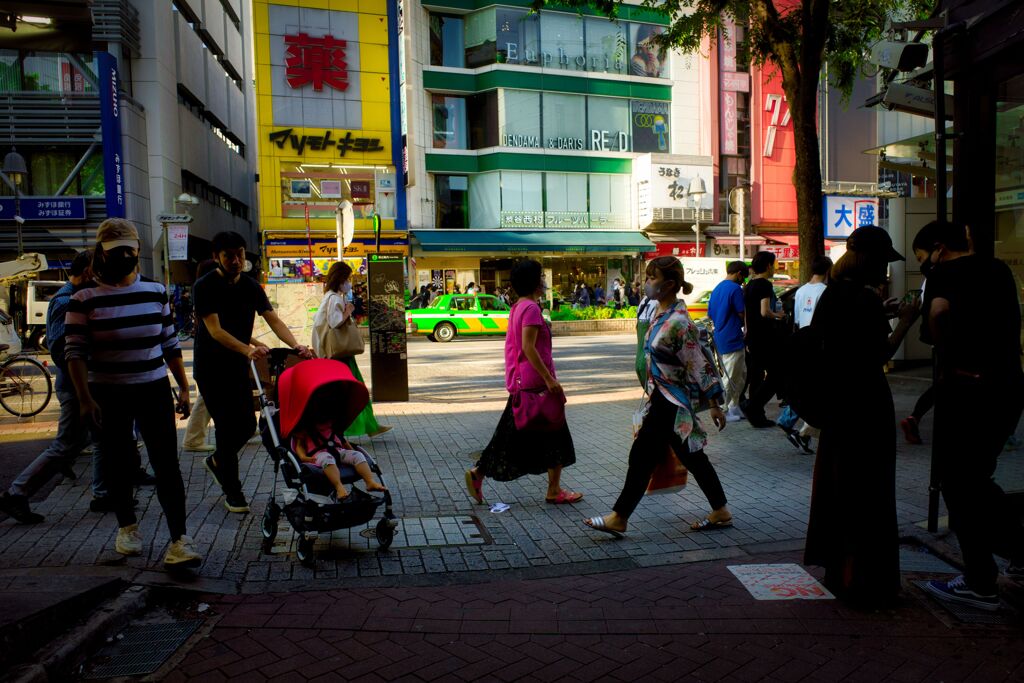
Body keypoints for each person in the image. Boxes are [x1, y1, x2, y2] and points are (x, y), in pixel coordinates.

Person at [64, 219, 202, 569]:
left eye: (129, 249)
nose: (124, 256)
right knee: (118, 461)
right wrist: (84, 398)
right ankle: (127, 527)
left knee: (166, 464)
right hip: (106, 392)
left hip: (153, 388)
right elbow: (75, 353)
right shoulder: (83, 300)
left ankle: (179, 539)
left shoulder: (156, 292)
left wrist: (184, 387)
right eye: (116, 251)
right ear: (101, 253)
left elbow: (170, 344)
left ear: (138, 249)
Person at [804, 226, 917, 607]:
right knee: (870, 489)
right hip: (866, 405)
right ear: (870, 259)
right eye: (884, 261)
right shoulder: (863, 300)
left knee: (840, 486)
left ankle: (841, 571)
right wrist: (906, 319)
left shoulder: (832, 293)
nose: (886, 270)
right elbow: (879, 355)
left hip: (838, 405)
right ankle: (866, 579)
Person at [585, 256, 730, 538]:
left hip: (672, 402)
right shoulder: (660, 314)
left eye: (653, 278)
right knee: (693, 457)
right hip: (663, 399)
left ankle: (620, 516)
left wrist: (714, 404)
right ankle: (720, 509)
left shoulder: (679, 323)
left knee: (642, 456)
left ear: (670, 285)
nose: (647, 283)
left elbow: (699, 363)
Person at [920, 221, 1024, 611]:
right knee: (977, 477)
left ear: (938, 248)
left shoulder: (943, 273)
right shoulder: (998, 268)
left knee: (958, 484)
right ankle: (1018, 552)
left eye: (924, 257)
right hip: (1008, 387)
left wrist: (943, 344)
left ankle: (981, 583)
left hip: (969, 388)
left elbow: (939, 315)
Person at [193, 231, 313, 514]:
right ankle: (233, 491)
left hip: (237, 365)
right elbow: (215, 331)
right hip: (210, 366)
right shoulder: (204, 286)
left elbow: (273, 319)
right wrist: (247, 349)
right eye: (228, 256)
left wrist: (297, 345)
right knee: (224, 426)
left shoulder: (250, 286)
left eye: (240, 255)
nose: (236, 261)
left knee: (247, 425)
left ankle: (218, 461)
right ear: (216, 258)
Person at [465, 259, 582, 506]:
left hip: (523, 383)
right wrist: (550, 380)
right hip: (536, 384)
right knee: (556, 434)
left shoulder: (519, 306)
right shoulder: (530, 309)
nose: (543, 281)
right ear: (533, 281)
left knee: (510, 435)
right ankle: (553, 490)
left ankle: (480, 473)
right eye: (540, 277)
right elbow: (528, 347)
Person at [0, 251, 101, 523]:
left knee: (91, 440)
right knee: (66, 444)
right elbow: (60, 348)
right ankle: (16, 494)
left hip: (82, 386)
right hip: (75, 387)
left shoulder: (78, 297)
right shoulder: (66, 300)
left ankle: (106, 493)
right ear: (88, 271)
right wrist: (82, 386)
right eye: (96, 270)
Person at [312, 262, 390, 438]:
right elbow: (335, 323)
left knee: (353, 390)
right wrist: (348, 311)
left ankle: (370, 426)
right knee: (353, 391)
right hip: (340, 355)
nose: (349, 282)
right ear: (339, 279)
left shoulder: (330, 297)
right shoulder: (334, 298)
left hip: (337, 354)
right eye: (347, 278)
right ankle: (359, 427)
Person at [777, 255, 833, 451]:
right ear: (828, 271)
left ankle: (794, 425)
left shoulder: (801, 290)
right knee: (816, 388)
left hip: (801, 341)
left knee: (807, 386)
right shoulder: (826, 291)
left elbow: (797, 318)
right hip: (818, 343)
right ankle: (794, 425)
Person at [291, 403, 387, 500]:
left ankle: (369, 481)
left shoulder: (333, 424)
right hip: (318, 454)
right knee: (326, 459)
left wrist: (352, 451)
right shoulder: (305, 427)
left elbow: (343, 440)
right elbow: (299, 445)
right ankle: (339, 487)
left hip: (338, 451)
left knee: (358, 455)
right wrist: (303, 457)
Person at [739, 251, 787, 428]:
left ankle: (757, 415)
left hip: (752, 337)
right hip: (766, 337)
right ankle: (753, 407)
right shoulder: (765, 284)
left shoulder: (749, 285)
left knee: (756, 375)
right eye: (773, 264)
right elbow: (764, 311)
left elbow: (748, 314)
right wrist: (778, 315)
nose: (773, 268)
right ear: (768, 265)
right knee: (777, 375)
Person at [707, 261, 748, 423]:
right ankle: (724, 408)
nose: (743, 281)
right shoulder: (735, 289)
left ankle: (733, 405)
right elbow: (741, 313)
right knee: (732, 375)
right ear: (738, 273)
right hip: (732, 336)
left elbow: (710, 314)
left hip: (721, 335)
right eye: (743, 277)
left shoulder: (717, 288)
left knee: (740, 373)